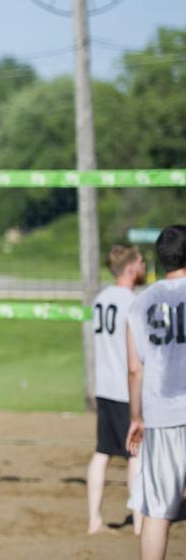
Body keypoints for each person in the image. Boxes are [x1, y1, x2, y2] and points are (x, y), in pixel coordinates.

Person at [126, 224, 186, 560]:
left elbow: (135, 369)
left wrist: (136, 417)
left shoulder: (140, 303)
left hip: (162, 414)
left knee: (158, 510)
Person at [86, 244, 146, 535]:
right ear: (132, 268)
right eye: (142, 262)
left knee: (102, 452)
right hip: (125, 390)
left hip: (104, 388)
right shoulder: (133, 301)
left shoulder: (100, 299)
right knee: (135, 454)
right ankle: (138, 524)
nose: (145, 266)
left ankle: (94, 520)